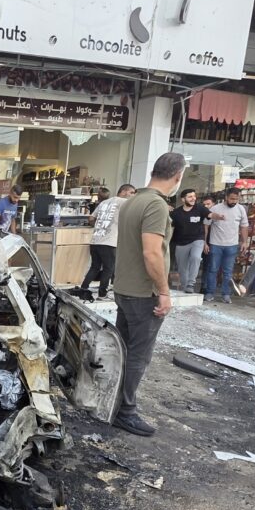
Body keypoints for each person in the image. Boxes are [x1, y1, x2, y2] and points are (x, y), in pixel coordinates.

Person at [112, 152, 185, 437]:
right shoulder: (156, 205)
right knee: (138, 356)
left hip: (124, 288)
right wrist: (164, 292)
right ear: (177, 176)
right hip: (143, 293)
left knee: (122, 351)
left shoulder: (132, 201)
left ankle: (113, 403)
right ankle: (125, 412)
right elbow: (152, 252)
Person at [79, 183, 134, 300]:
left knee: (95, 267)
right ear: (124, 191)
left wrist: (100, 226)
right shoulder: (124, 202)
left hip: (95, 240)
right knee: (109, 268)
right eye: (131, 192)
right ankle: (102, 294)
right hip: (109, 241)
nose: (133, 196)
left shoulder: (104, 203)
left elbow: (91, 218)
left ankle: (83, 288)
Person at [203, 188, 249, 303]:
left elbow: (244, 226)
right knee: (212, 270)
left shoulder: (241, 209)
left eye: (237, 199)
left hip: (232, 245)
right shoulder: (215, 208)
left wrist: (244, 241)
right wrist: (205, 242)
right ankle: (210, 293)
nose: (234, 201)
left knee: (228, 271)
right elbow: (206, 225)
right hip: (215, 244)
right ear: (226, 197)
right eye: (232, 199)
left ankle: (226, 294)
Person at [169, 189, 209, 293]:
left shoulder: (200, 208)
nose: (193, 198)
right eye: (190, 196)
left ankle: (191, 283)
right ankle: (185, 287)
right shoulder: (176, 213)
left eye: (194, 196)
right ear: (183, 199)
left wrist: (218, 216)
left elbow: (210, 215)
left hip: (197, 239)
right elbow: (171, 228)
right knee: (182, 268)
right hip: (180, 242)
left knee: (196, 257)